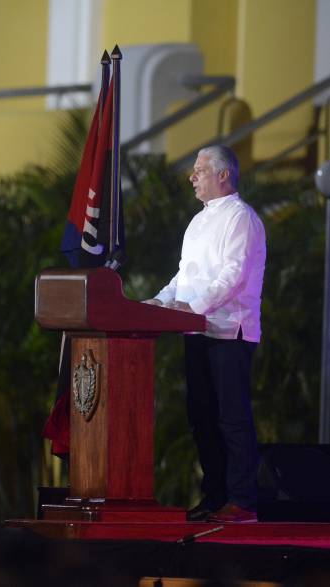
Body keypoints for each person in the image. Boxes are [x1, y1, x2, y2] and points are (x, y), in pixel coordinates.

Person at [144, 145, 266, 523]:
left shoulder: (241, 218)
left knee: (231, 418)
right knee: (201, 418)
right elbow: (186, 276)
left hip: (230, 331)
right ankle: (214, 497)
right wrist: (160, 302)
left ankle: (242, 501)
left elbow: (231, 276)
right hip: (196, 331)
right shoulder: (198, 222)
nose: (192, 177)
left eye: (199, 170)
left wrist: (191, 309)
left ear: (223, 175)